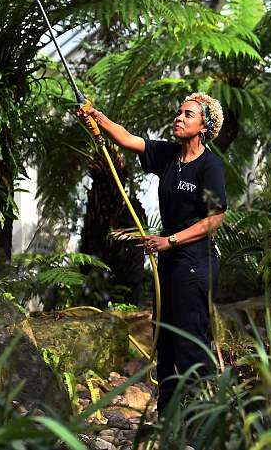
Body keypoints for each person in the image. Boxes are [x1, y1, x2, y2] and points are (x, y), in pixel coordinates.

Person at [79, 92, 227, 413]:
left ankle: (201, 421)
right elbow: (129, 140)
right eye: (179, 112)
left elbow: (215, 218)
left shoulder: (210, 166)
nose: (179, 118)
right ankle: (169, 421)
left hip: (196, 264)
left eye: (188, 115)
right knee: (167, 343)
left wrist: (169, 240)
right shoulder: (169, 156)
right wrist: (96, 118)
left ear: (204, 126)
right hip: (171, 265)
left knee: (190, 343)